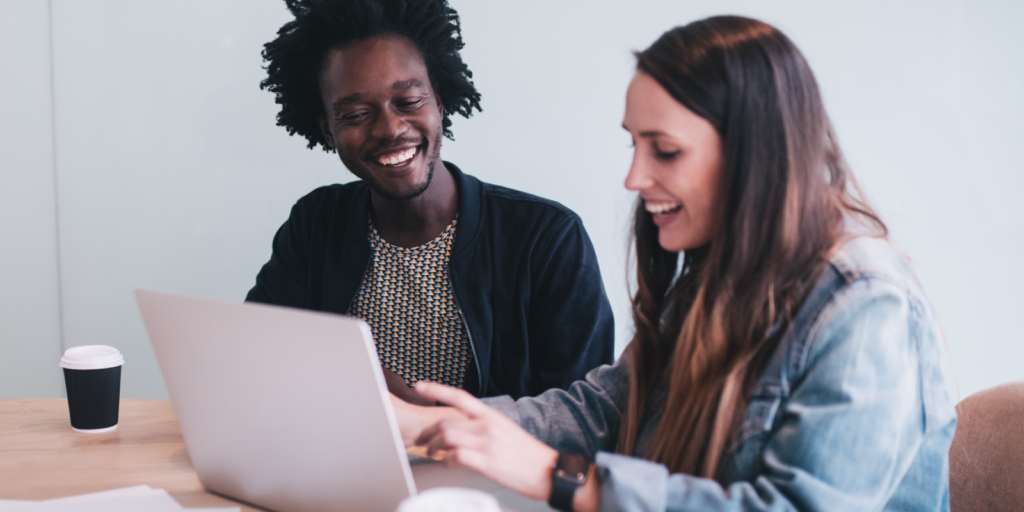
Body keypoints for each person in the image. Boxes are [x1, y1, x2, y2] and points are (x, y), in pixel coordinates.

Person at [392, 15, 957, 512]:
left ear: (753, 151)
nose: (634, 179)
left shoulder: (866, 304)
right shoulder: (718, 275)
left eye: (664, 150)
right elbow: (605, 410)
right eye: (633, 145)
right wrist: (433, 425)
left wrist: (556, 477)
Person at [247, 0, 614, 404]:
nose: (390, 129)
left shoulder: (547, 237)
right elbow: (257, 355)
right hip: (340, 462)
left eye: (408, 103)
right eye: (355, 114)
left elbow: (584, 415)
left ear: (439, 103)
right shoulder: (315, 223)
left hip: (485, 468)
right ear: (328, 130)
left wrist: (428, 416)